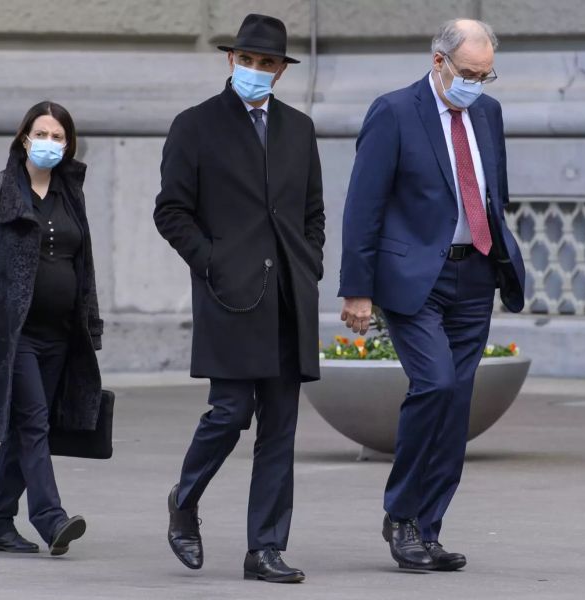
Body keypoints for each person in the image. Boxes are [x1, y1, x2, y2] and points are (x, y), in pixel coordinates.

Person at [338, 19, 526, 571]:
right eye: (468, 73)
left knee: (457, 403)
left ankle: (429, 526)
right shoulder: (394, 112)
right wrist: (357, 289)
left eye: (485, 75)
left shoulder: (487, 113)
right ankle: (401, 515)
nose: (476, 83)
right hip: (416, 279)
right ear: (439, 61)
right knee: (435, 383)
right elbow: (363, 206)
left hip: (476, 276)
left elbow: (494, 190)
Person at [153, 13, 324, 584]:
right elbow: (170, 211)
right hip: (229, 295)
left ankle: (265, 549)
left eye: (265, 63)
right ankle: (186, 497)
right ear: (231, 60)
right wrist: (212, 262)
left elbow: (311, 212)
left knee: (280, 425)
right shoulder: (195, 125)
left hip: (289, 296)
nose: (254, 69)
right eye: (245, 59)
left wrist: (310, 262)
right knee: (230, 412)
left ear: (280, 70)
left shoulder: (299, 129)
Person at [0, 101, 105, 557]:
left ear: (68, 144)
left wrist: (90, 322)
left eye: (59, 136)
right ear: (23, 137)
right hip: (12, 336)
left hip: (60, 334)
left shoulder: (71, 194)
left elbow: (83, 264)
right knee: (33, 421)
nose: (50, 143)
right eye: (42, 133)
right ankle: (50, 518)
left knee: (26, 427)